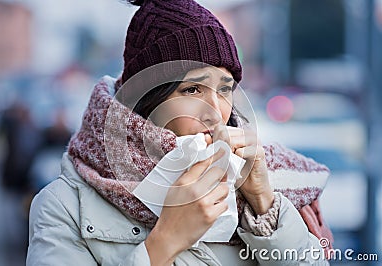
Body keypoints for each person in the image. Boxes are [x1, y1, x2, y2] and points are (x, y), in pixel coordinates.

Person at [26, 0, 333, 265]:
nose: (216, 111)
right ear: (146, 99)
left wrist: (265, 203)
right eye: (193, 89)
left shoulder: (263, 178)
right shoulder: (64, 206)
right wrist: (166, 241)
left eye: (225, 89)